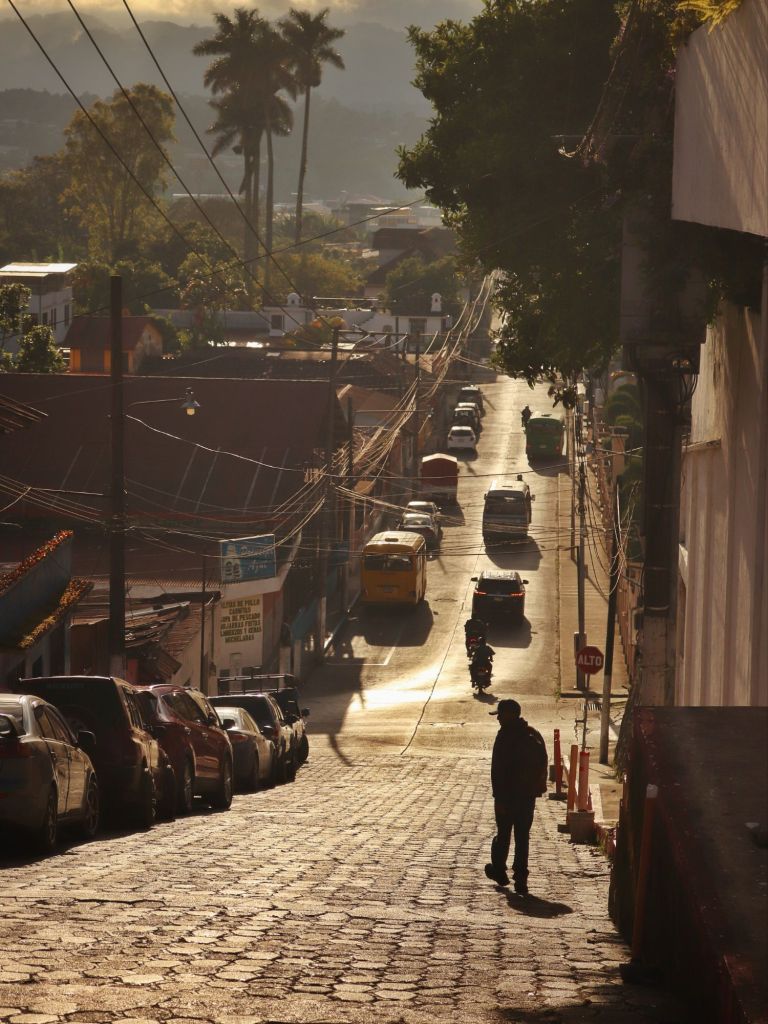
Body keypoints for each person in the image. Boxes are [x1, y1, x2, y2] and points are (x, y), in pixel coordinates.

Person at [485, 699, 548, 895]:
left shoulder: (505, 736)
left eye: (500, 715)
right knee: (522, 837)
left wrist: (499, 798)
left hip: (507, 797)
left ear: (508, 715)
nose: (498, 719)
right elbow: (544, 762)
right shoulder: (532, 734)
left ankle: (499, 870)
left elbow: (497, 770)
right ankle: (521, 878)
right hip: (527, 797)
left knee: (503, 835)